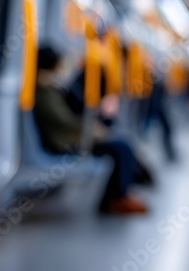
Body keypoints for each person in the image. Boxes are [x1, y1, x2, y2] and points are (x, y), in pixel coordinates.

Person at [33, 46, 149, 214]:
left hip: (72, 135)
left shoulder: (51, 88)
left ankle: (116, 196)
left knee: (121, 144)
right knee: (121, 148)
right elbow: (62, 120)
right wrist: (90, 129)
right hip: (67, 140)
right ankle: (115, 198)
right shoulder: (44, 91)